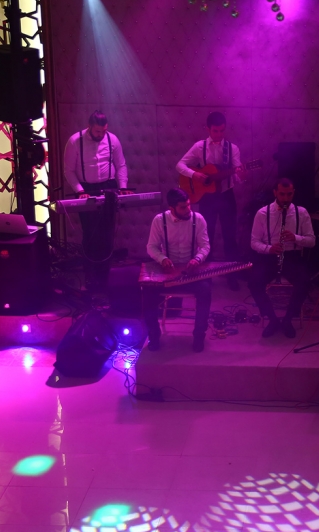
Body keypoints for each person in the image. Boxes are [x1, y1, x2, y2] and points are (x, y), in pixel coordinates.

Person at [63, 111, 130, 293]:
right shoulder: (75, 141)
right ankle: (90, 279)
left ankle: (105, 279)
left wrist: (123, 187)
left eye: (104, 131)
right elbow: (68, 170)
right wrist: (80, 191)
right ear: (89, 127)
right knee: (90, 235)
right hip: (86, 189)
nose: (101, 135)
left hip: (109, 187)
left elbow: (121, 165)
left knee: (107, 235)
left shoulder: (112, 140)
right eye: (97, 131)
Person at [176, 112, 243, 290]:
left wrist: (240, 176)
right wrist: (195, 175)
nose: (219, 134)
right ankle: (206, 276)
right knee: (207, 237)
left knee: (230, 237)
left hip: (227, 196)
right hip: (207, 198)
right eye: (215, 131)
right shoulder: (199, 147)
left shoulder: (232, 149)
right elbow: (180, 165)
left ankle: (232, 275)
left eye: (222, 131)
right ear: (208, 129)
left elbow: (237, 176)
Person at [144, 189, 211, 353]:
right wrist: (162, 259)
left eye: (188, 205)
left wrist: (197, 259)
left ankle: (199, 335)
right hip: (167, 273)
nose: (188, 210)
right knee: (147, 292)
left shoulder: (198, 219)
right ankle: (154, 336)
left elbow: (205, 246)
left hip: (191, 272)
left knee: (206, 290)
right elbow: (151, 247)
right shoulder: (159, 220)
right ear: (172, 208)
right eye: (183, 207)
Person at [249, 178, 316, 338]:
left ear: (293, 193)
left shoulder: (301, 213)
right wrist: (269, 249)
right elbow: (254, 242)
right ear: (275, 193)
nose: (286, 198)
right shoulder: (262, 213)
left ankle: (288, 319)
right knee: (253, 282)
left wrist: (295, 238)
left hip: (292, 256)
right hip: (269, 256)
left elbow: (312, 241)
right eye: (282, 194)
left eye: (289, 194)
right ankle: (272, 319)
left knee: (305, 282)